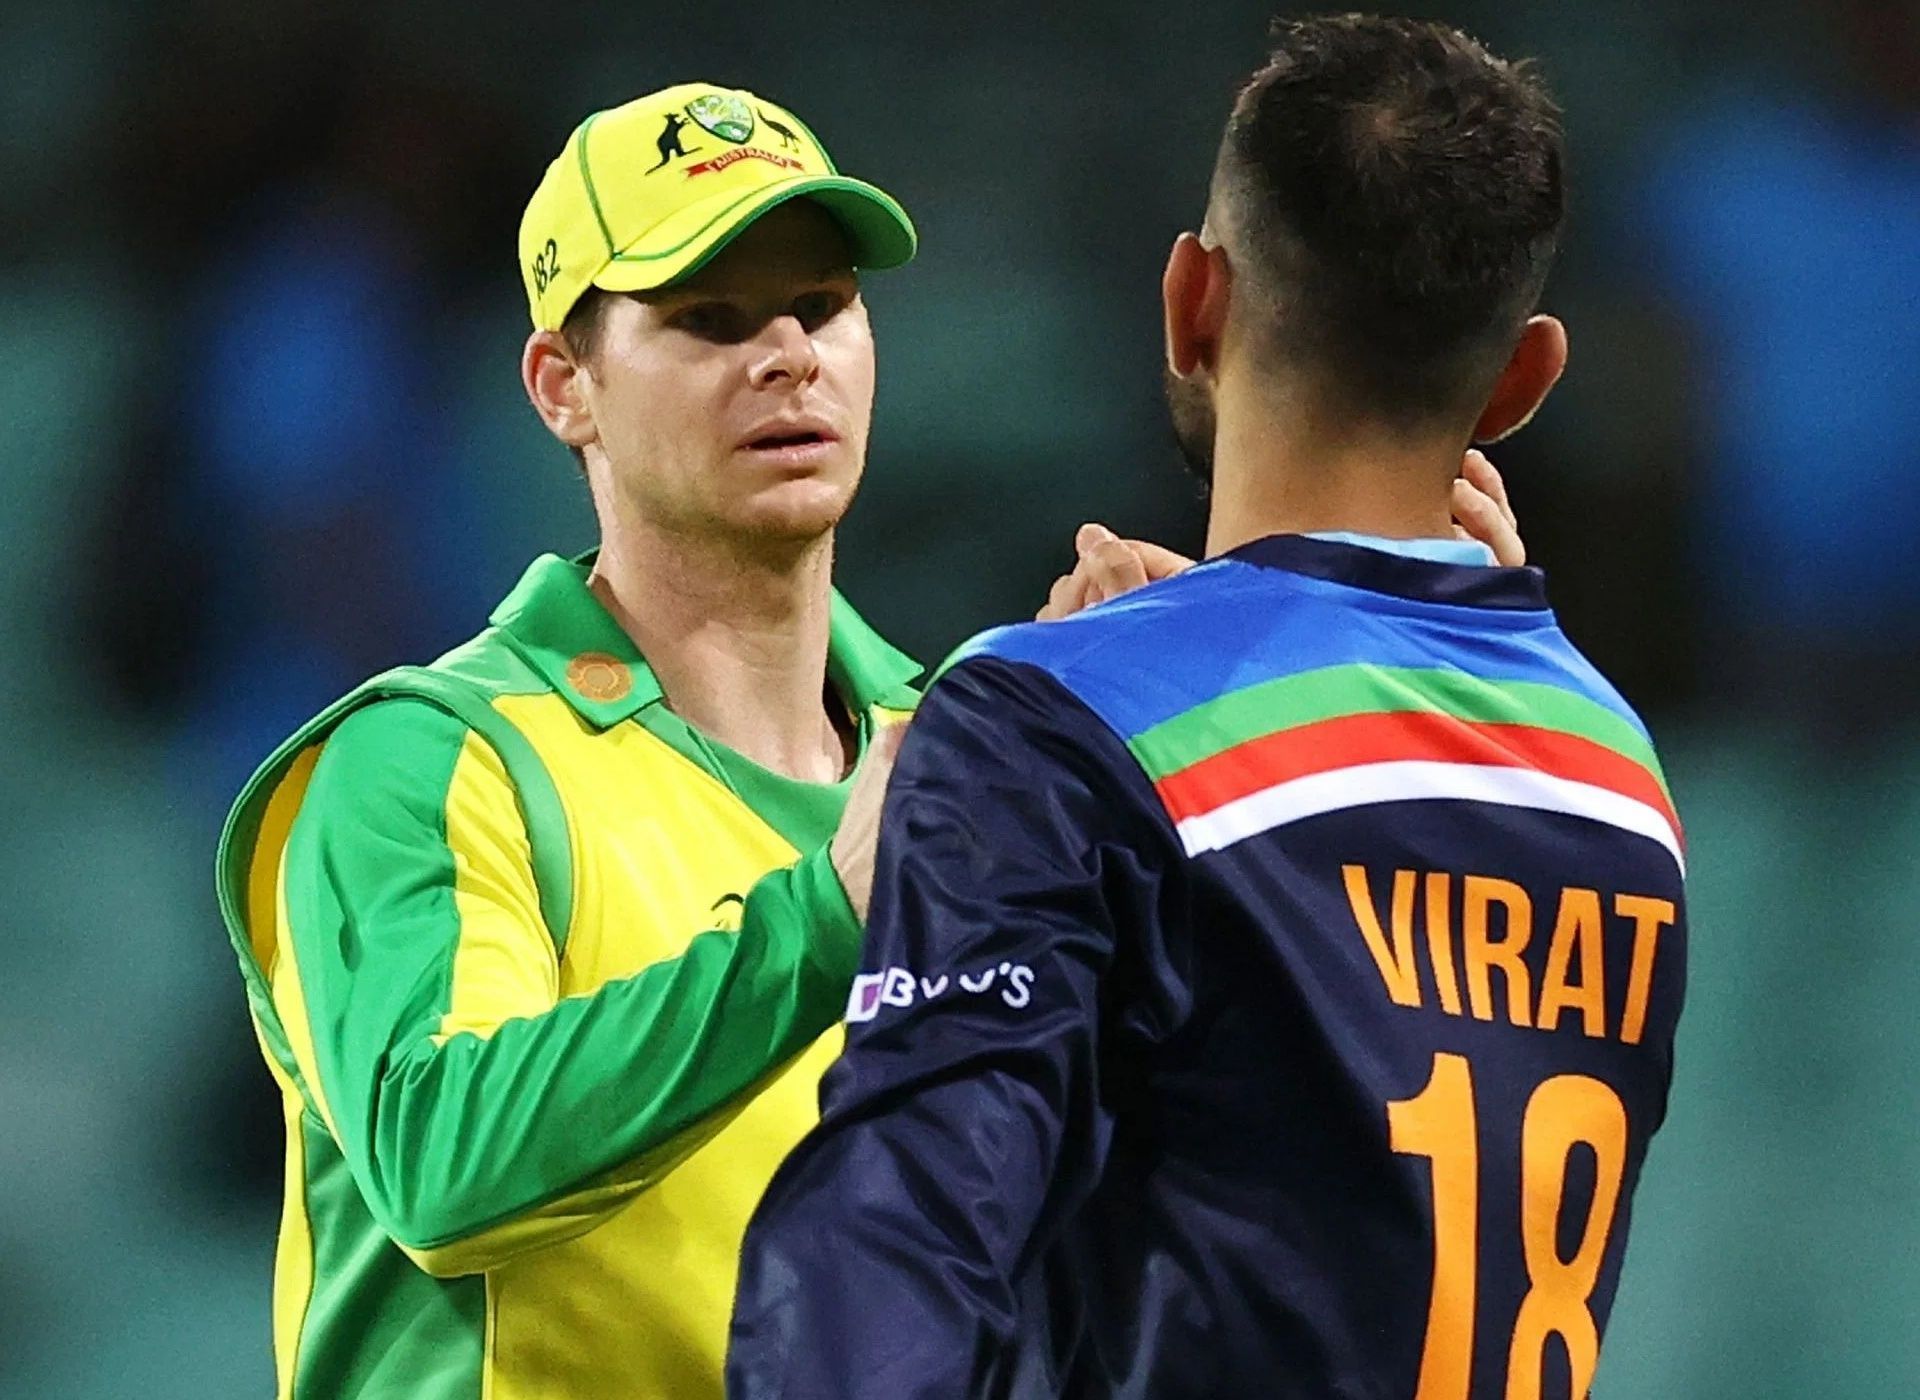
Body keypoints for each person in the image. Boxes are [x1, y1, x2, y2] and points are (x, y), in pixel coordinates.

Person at [212, 80, 1527, 1400]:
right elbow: (440, 1170)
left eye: (822, 305)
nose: (786, 353)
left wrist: (1369, 739)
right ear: (565, 388)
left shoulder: (968, 758)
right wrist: (837, 912)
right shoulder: (425, 765)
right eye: (707, 320)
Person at [728, 18, 1686, 1400]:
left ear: (1192, 300)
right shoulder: (1620, 776)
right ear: (1524, 380)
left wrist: (1045, 727)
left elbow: (889, 1281)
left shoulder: (1057, 723)